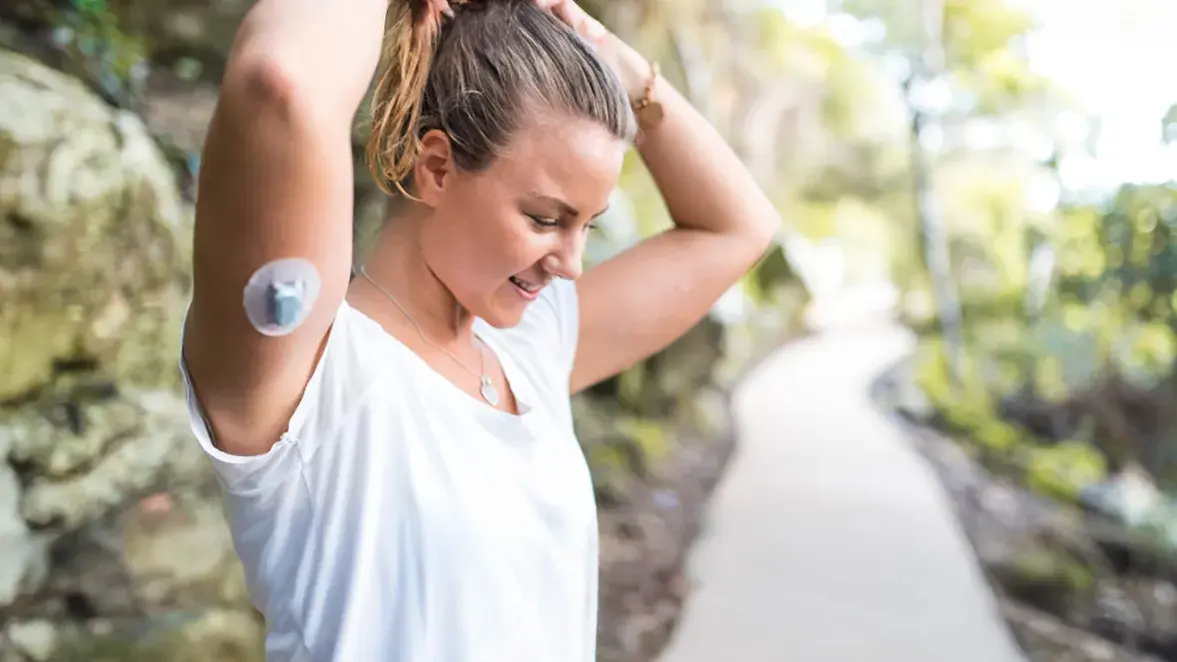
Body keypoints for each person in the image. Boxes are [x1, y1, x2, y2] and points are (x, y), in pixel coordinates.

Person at [179, 0, 779, 659]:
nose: (572, 264)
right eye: (546, 218)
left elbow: (738, 228)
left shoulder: (529, 348)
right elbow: (280, 82)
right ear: (436, 167)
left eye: (588, 225)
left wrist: (609, 55)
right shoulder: (306, 372)